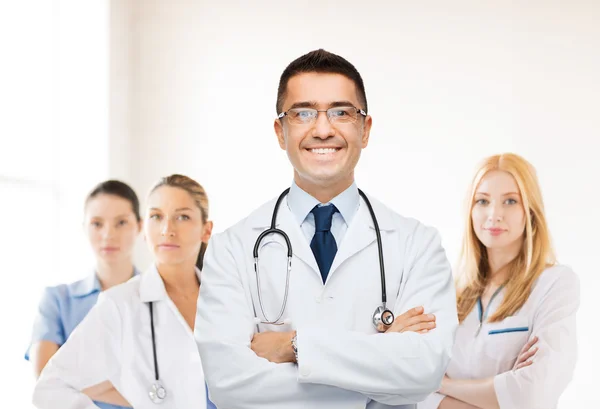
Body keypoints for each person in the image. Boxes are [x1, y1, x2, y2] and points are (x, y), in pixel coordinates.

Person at [195, 49, 458, 409]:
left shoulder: (418, 244)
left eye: (341, 113)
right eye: (303, 113)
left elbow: (422, 371)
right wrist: (377, 365)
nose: (322, 130)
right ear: (280, 131)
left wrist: (294, 346)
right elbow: (227, 383)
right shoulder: (231, 249)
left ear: (364, 130)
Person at [33, 174, 217, 409]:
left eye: (182, 217)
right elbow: (50, 386)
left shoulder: (229, 300)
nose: (167, 229)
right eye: (156, 216)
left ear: (206, 230)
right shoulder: (118, 304)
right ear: (145, 227)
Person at [419, 153, 580, 409]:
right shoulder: (448, 291)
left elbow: (534, 393)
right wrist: (504, 390)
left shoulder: (554, 284)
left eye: (510, 201)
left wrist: (443, 384)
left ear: (530, 212)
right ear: (470, 210)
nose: (494, 214)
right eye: (482, 201)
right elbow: (411, 389)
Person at [26, 180, 142, 408]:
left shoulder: (162, 299)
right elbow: (46, 380)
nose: (108, 234)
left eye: (121, 223)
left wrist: (76, 382)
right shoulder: (57, 301)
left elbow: (180, 387)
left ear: (139, 226)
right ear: (84, 227)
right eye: (97, 223)